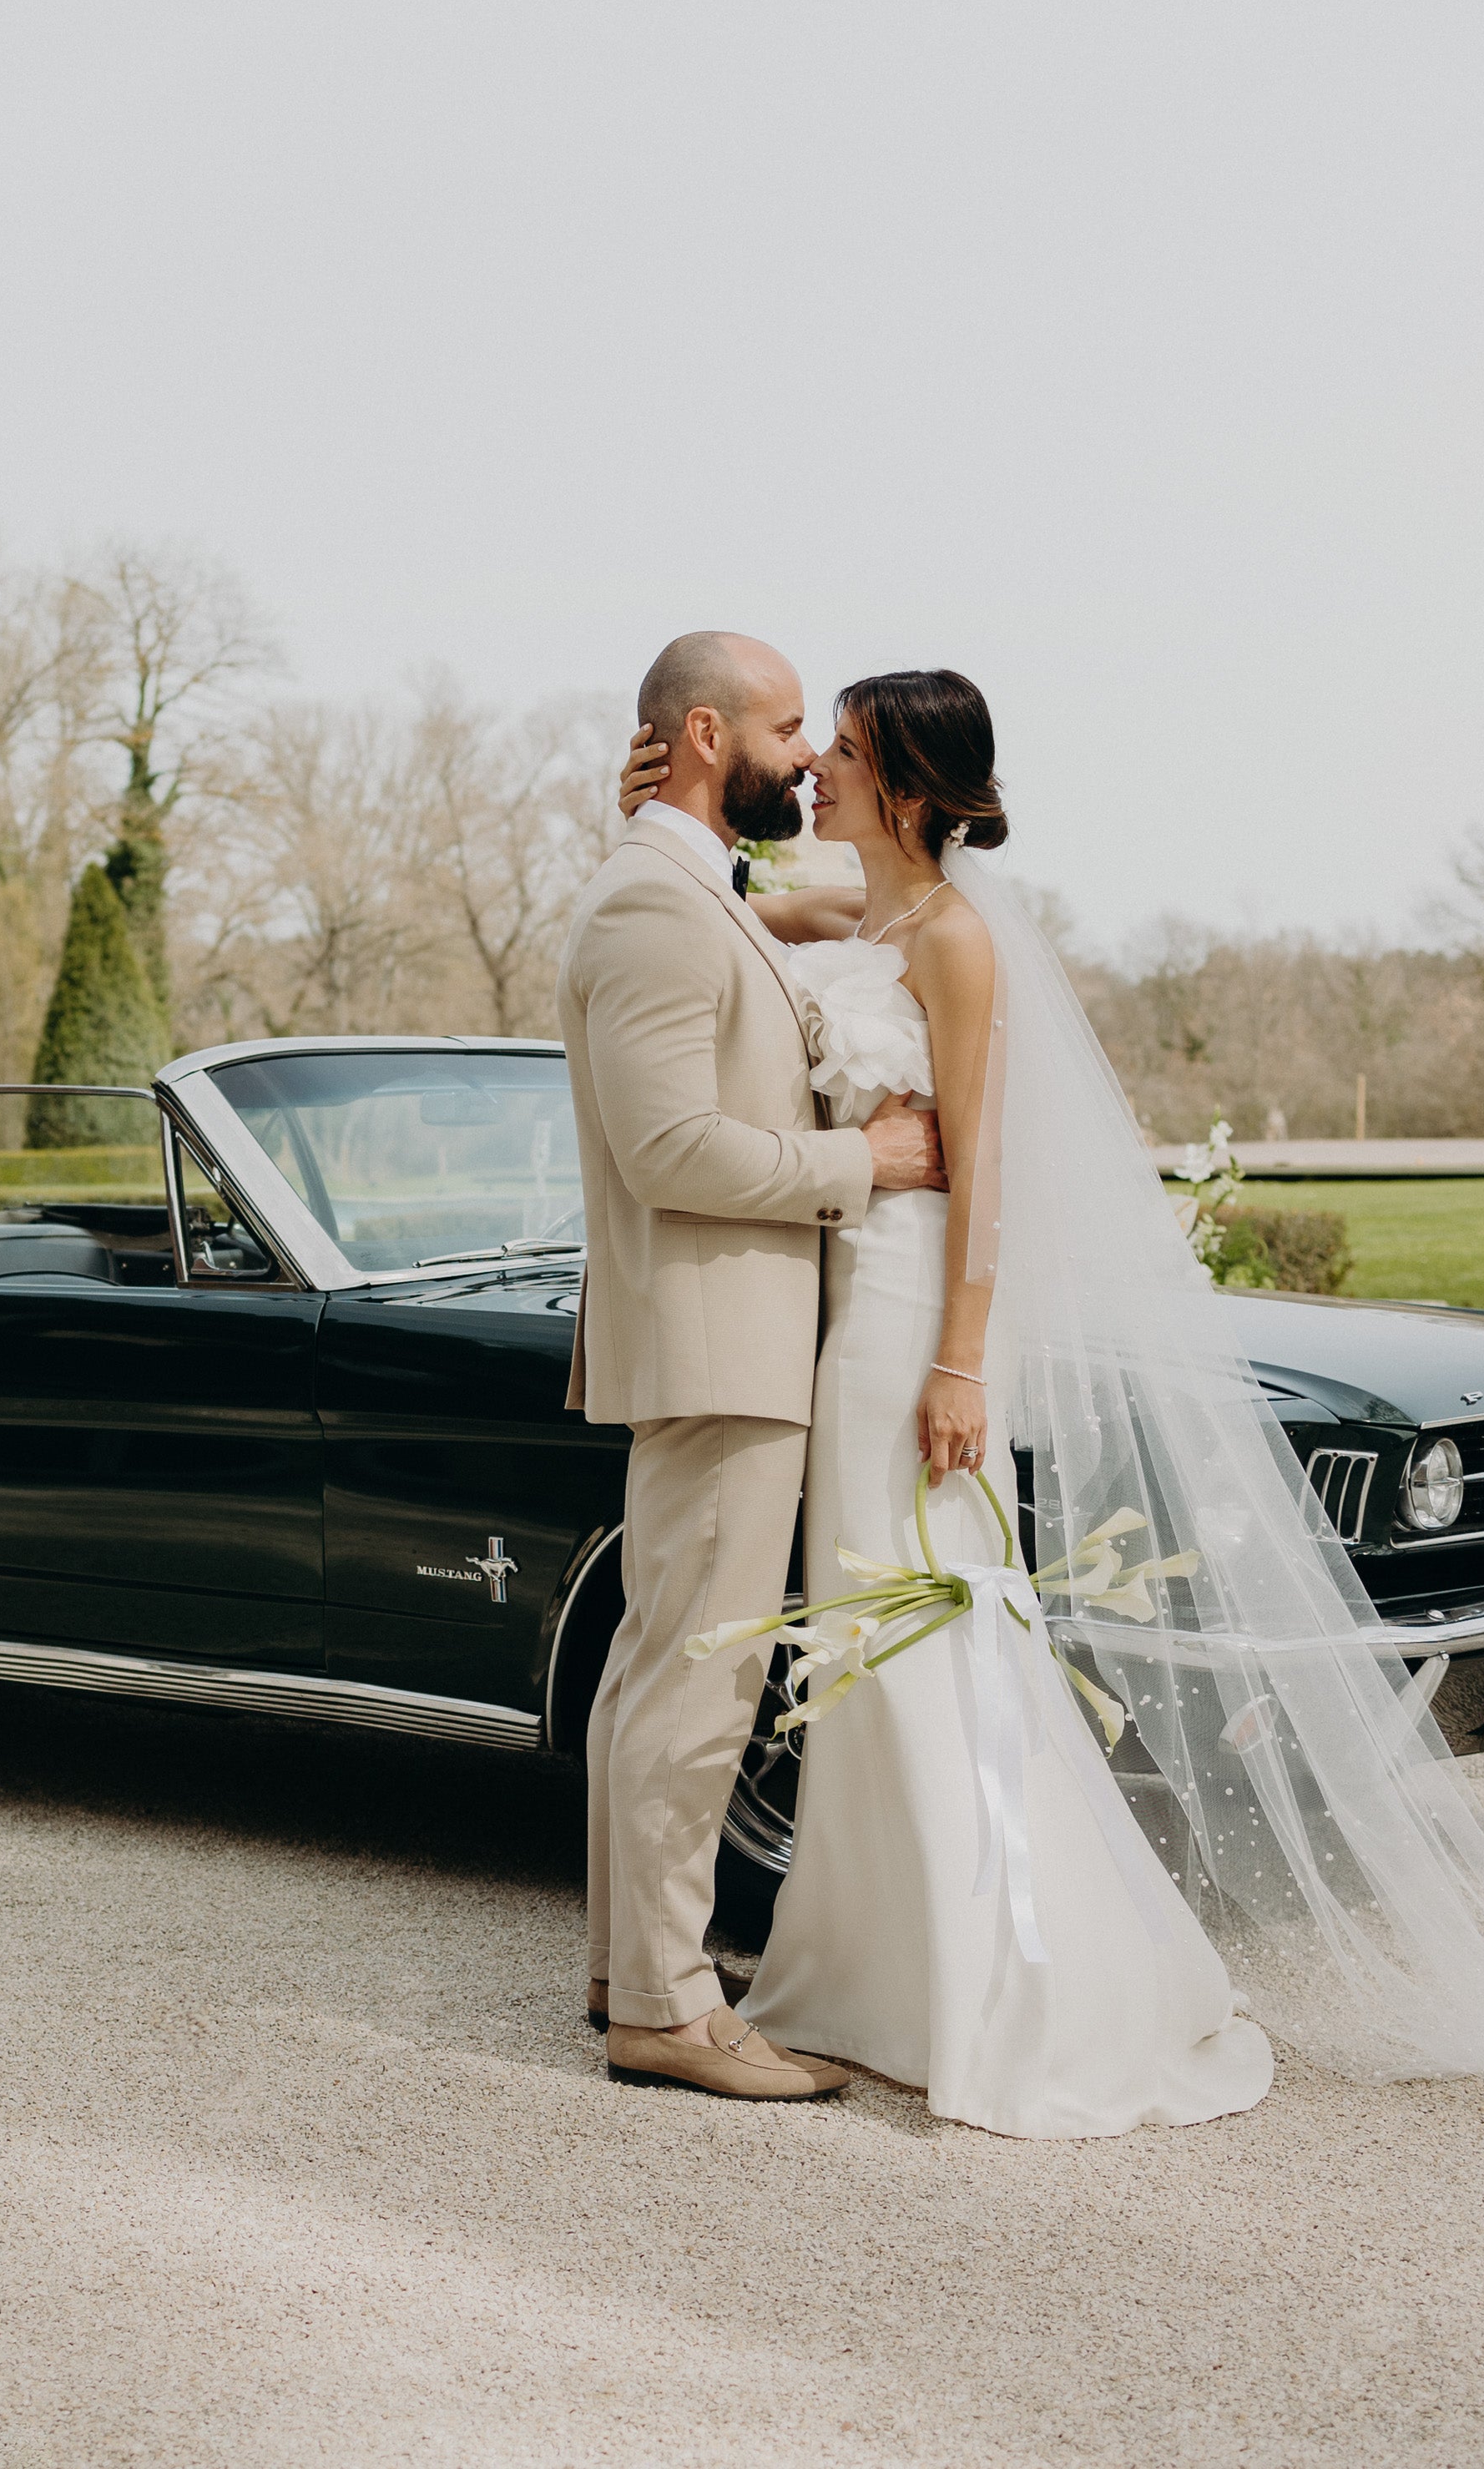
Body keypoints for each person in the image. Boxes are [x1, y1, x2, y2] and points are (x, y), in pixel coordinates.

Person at [613, 673, 1484, 2131]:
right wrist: (648, 811)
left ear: (903, 783)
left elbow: (990, 1171)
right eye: (811, 743)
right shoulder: (855, 918)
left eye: (838, 749)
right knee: (870, 1637)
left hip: (913, 1333)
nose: (817, 768)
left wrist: (965, 1361)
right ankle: (864, 1964)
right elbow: (702, 909)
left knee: (950, 1629)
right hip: (846, 1318)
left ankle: (1009, 1977)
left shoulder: (955, 941)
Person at [557, 630, 944, 2102]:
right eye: (791, 728)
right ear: (710, 732)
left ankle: (627, 1970)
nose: (808, 755)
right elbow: (668, 1152)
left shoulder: (682, 888)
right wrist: (871, 1157)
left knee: (659, 1667)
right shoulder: (654, 911)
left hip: (724, 1337)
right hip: (723, 1340)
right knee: (701, 1679)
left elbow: (838, 906)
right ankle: (664, 2007)